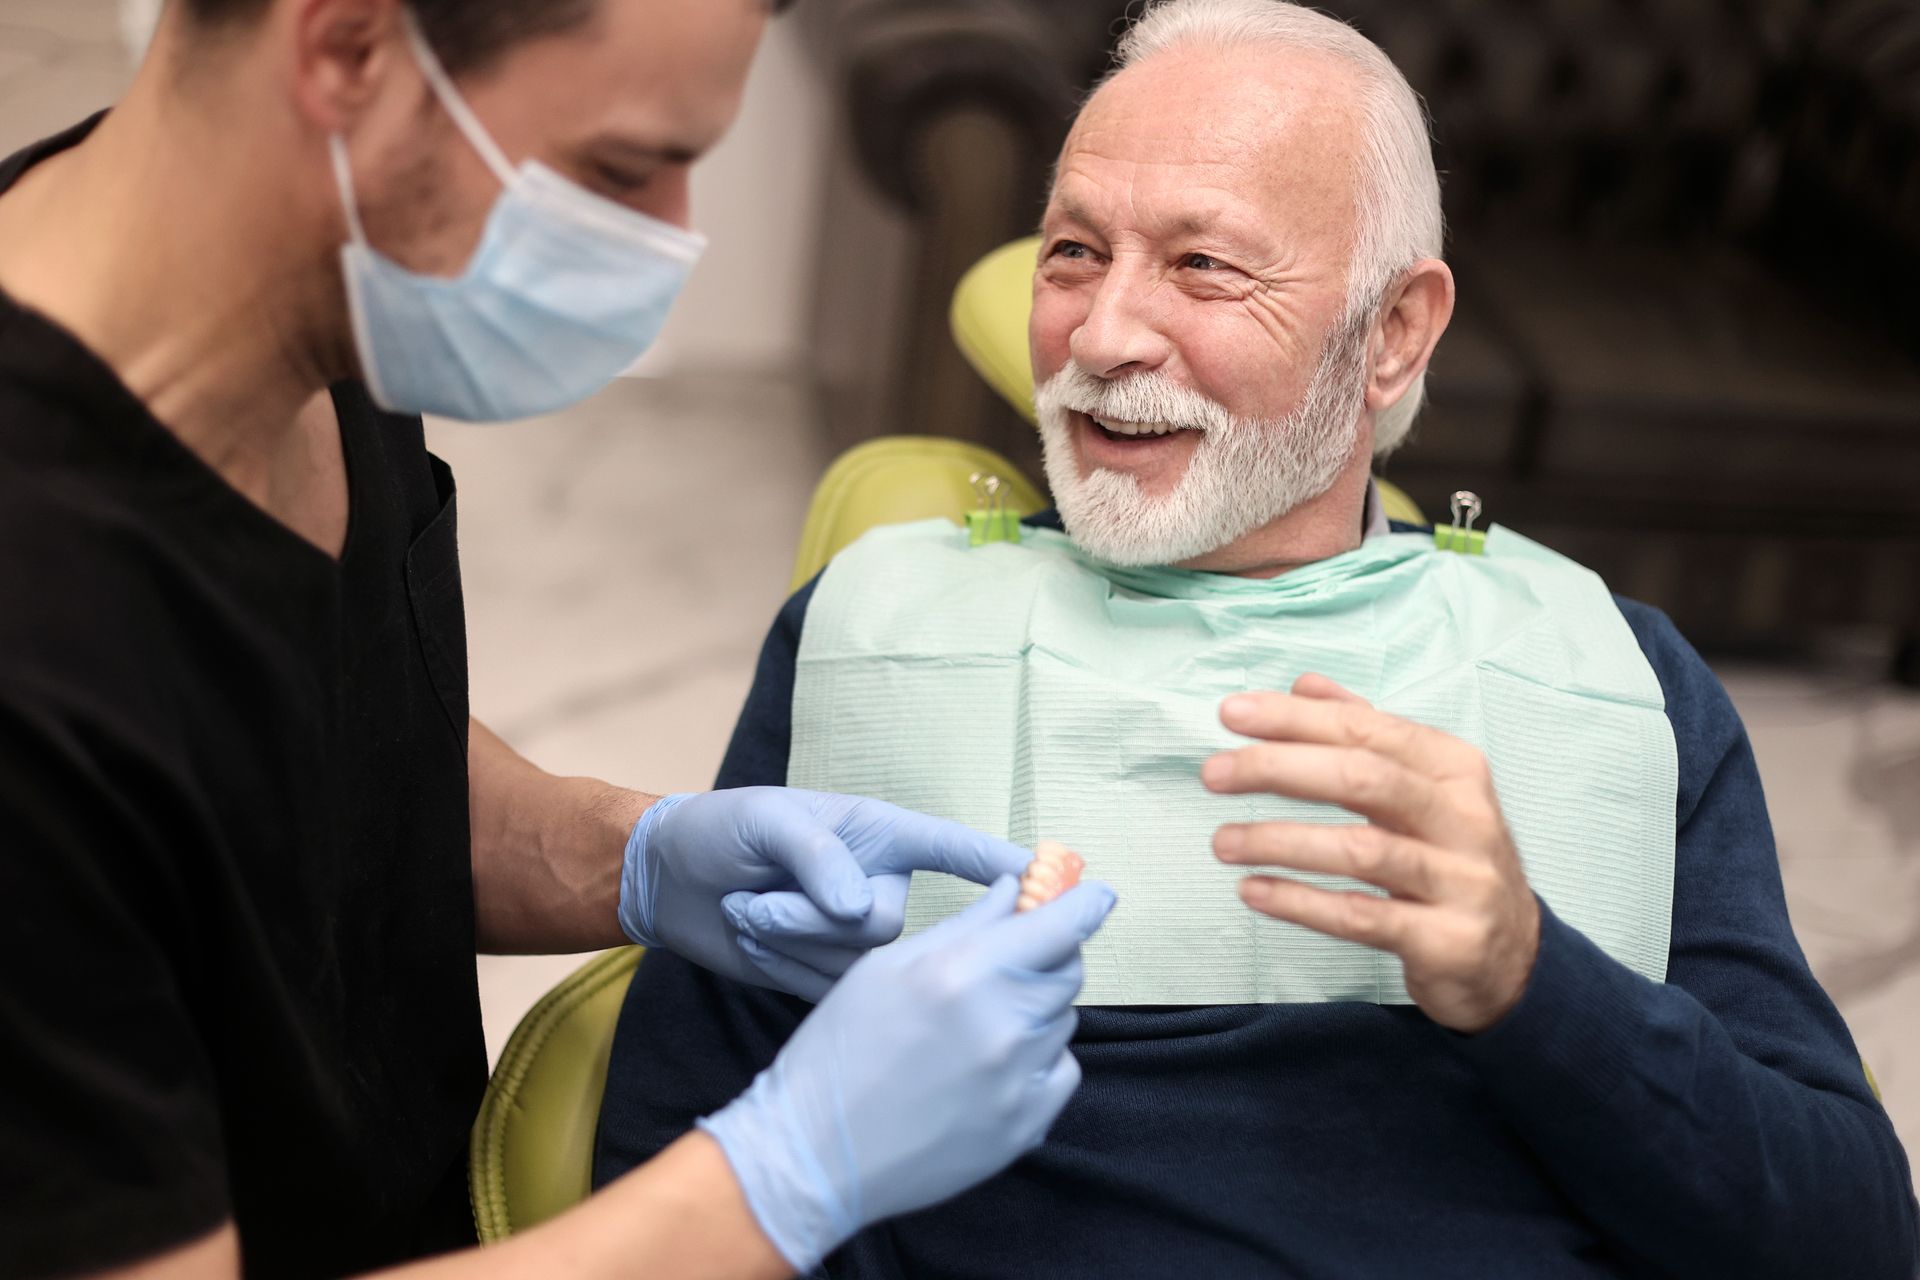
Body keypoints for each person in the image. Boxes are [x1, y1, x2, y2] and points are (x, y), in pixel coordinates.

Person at [593, 1, 1920, 1276]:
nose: (1103, 336)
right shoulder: (872, 640)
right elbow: (672, 1177)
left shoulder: (1613, 681)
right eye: (1071, 251)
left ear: (1393, 335)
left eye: (1204, 265)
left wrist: (1534, 979)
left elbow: (1852, 1244)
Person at [0, 0, 1120, 1277]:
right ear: (349, 51)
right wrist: (783, 1175)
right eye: (621, 170)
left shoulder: (322, 286)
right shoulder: (35, 643)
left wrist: (626, 852)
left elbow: (286, 756)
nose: (671, 239)